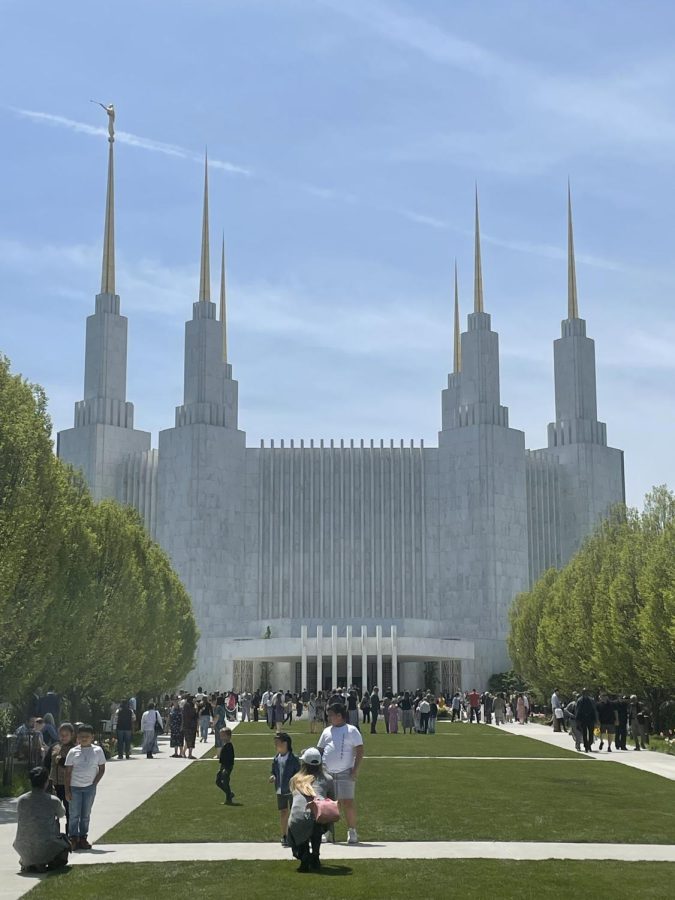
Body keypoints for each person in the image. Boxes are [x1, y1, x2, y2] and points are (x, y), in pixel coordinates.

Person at [317, 702, 364, 844]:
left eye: (331, 715)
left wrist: (355, 769)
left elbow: (360, 750)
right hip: (327, 773)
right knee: (328, 804)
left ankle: (352, 831)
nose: (329, 717)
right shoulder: (326, 731)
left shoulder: (351, 730)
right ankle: (327, 832)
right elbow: (319, 750)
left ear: (339, 715)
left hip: (345, 772)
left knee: (348, 802)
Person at [13, 766, 71, 873]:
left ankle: (29, 862)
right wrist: (53, 795)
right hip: (46, 844)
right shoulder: (53, 800)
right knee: (65, 842)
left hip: (22, 844)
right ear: (46, 782)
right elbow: (61, 814)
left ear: (30, 781)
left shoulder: (21, 800)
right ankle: (48, 862)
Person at [287, 747, 336, 872]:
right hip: (318, 817)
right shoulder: (328, 779)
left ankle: (304, 857)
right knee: (317, 823)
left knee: (300, 823)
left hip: (298, 818)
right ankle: (315, 856)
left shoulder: (294, 780)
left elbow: (293, 803)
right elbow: (332, 800)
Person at [64, 723, 106, 850]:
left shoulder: (97, 751)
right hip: (75, 787)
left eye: (87, 736)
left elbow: (102, 768)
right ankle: (73, 838)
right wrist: (67, 790)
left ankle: (83, 838)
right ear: (77, 737)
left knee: (85, 814)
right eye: (81, 736)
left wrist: (94, 783)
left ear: (92, 737)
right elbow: (67, 772)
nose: (84, 739)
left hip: (89, 788)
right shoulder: (73, 752)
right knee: (74, 814)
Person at [269, 732, 301, 847]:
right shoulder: (276, 758)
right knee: (283, 812)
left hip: (292, 791)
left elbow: (299, 773)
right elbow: (274, 771)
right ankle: (284, 835)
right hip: (280, 790)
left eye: (277, 743)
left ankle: (294, 835)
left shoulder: (293, 758)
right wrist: (273, 776)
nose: (275, 745)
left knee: (294, 813)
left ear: (285, 743)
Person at [46, 723, 76, 831]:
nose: (63, 737)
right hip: (54, 784)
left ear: (72, 735)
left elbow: (75, 765)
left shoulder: (75, 749)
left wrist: (62, 761)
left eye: (66, 735)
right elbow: (46, 763)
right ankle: (55, 834)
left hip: (68, 785)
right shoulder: (55, 747)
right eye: (61, 735)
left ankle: (70, 834)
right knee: (53, 811)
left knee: (69, 811)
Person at [575, 689, 598, 753]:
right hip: (583, 719)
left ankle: (589, 744)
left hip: (590, 719)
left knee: (591, 734)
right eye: (584, 692)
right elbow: (577, 711)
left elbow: (594, 710)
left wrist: (596, 720)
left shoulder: (591, 700)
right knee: (584, 733)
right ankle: (586, 747)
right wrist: (577, 720)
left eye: (586, 692)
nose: (585, 694)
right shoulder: (580, 700)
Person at [217, 728, 235, 804]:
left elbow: (231, 758)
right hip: (223, 766)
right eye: (221, 735)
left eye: (223, 736)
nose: (221, 737)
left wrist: (226, 768)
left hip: (227, 767)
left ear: (228, 736)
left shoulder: (229, 746)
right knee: (218, 781)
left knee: (225, 781)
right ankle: (229, 793)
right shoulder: (225, 745)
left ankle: (228, 798)